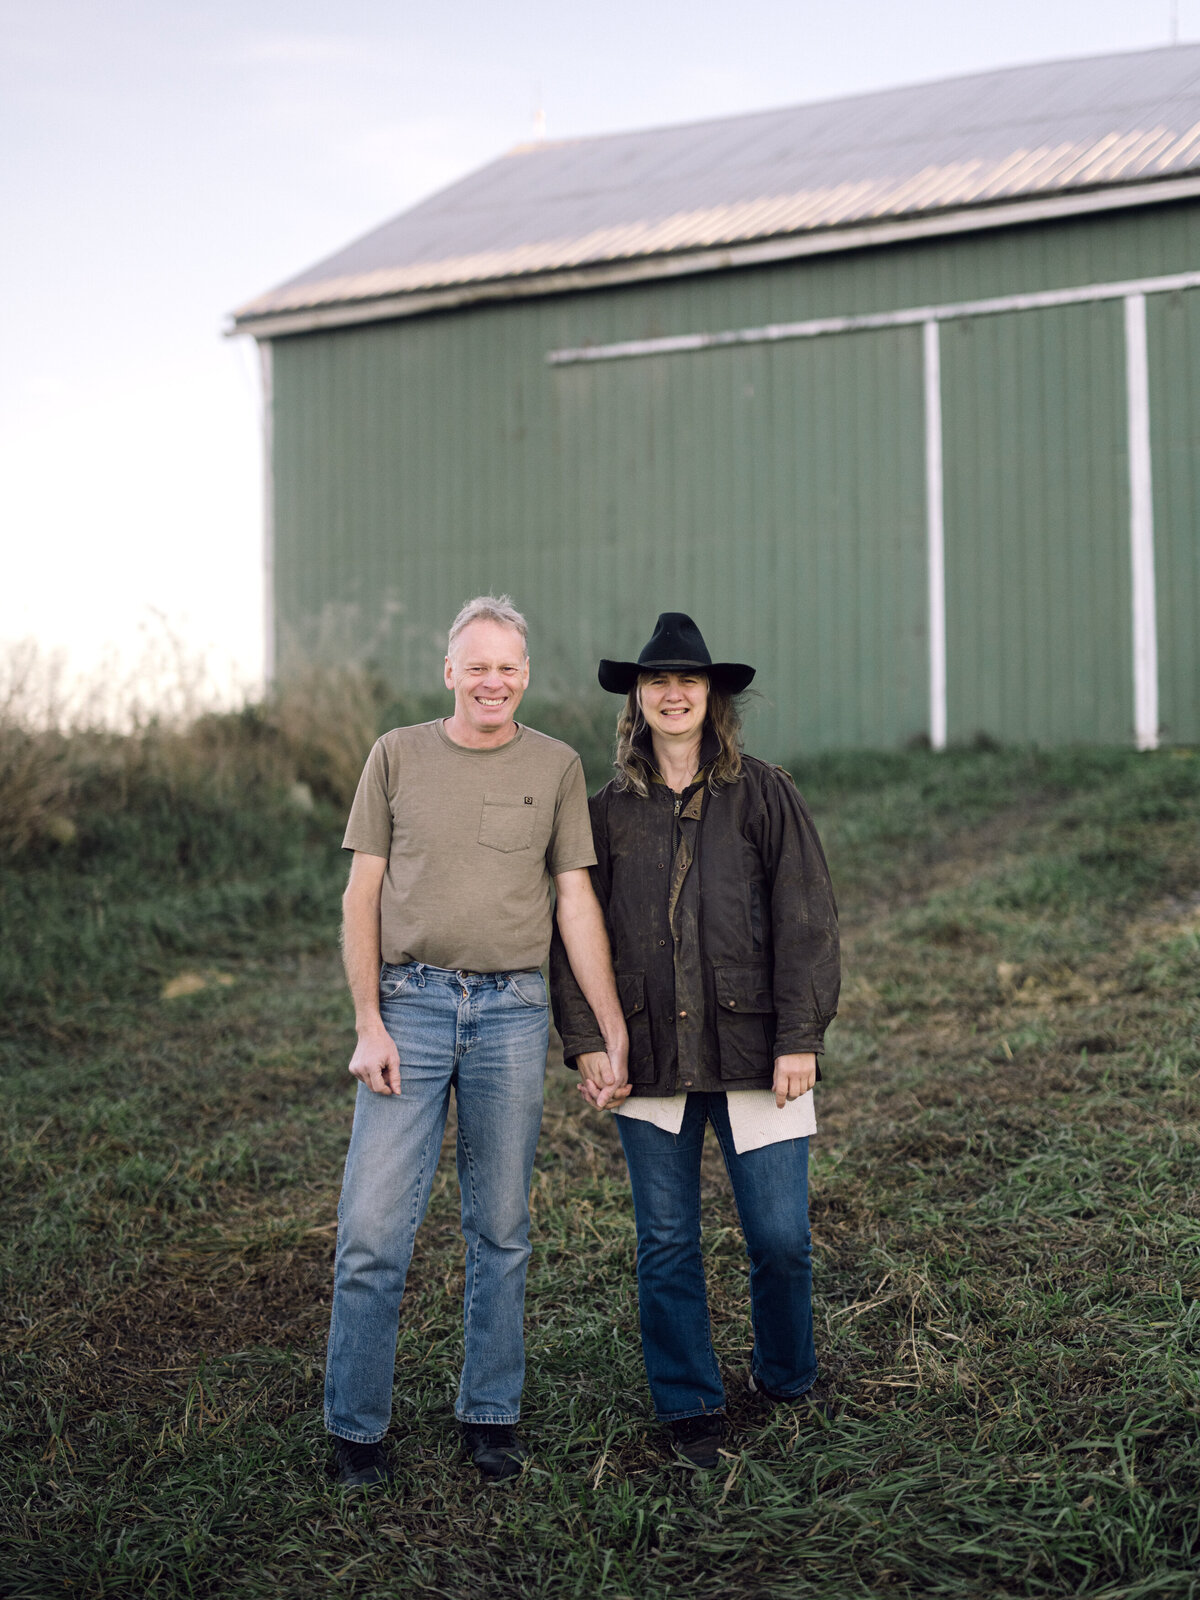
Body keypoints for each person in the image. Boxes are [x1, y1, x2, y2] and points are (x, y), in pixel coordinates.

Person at [325, 595, 629, 1487]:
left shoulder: (558, 766)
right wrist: (368, 1023)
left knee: (500, 1227)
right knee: (373, 1230)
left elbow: (575, 903)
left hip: (510, 1014)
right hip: (410, 1006)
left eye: (509, 667)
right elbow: (361, 898)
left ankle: (490, 1416)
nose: (493, 681)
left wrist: (608, 1029)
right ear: (449, 673)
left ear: (525, 677)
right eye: (477, 665)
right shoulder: (396, 755)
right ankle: (356, 1430)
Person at [550, 612, 840, 1471]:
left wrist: (799, 1037)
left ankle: (788, 1379)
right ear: (637, 700)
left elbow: (808, 919)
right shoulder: (604, 814)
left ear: (712, 696)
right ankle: (689, 1404)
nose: (672, 694)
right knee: (667, 1241)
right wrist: (584, 1042)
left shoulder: (766, 794)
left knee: (782, 1239)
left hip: (760, 1051)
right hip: (649, 1058)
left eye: (688, 680)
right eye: (656, 682)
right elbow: (573, 933)